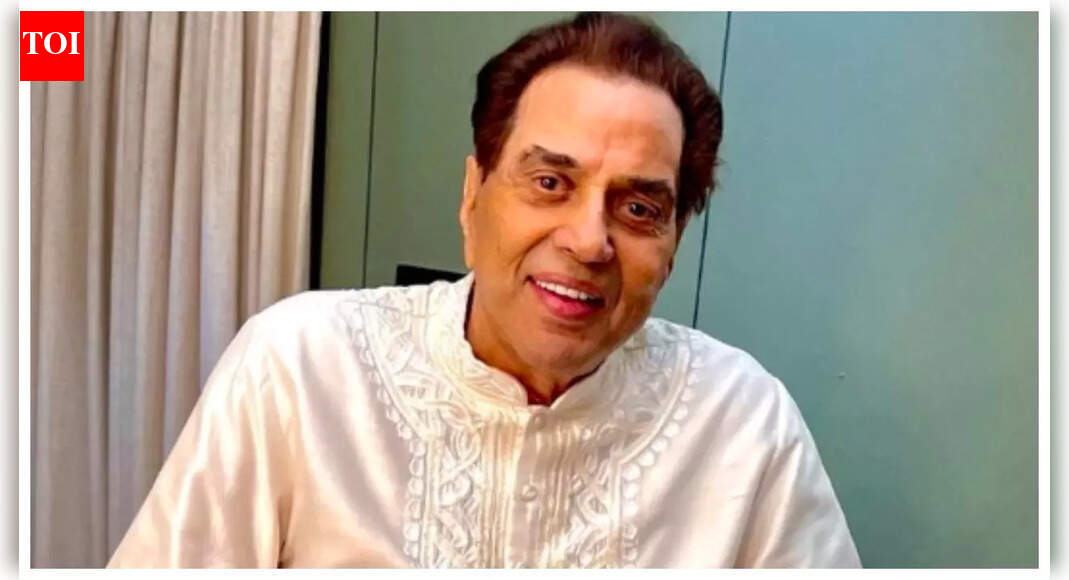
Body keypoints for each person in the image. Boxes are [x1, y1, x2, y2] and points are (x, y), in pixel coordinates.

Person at [108, 12, 861, 568]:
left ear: (672, 244)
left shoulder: (743, 424)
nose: (588, 241)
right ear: (473, 196)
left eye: (638, 208)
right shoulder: (301, 369)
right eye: (549, 182)